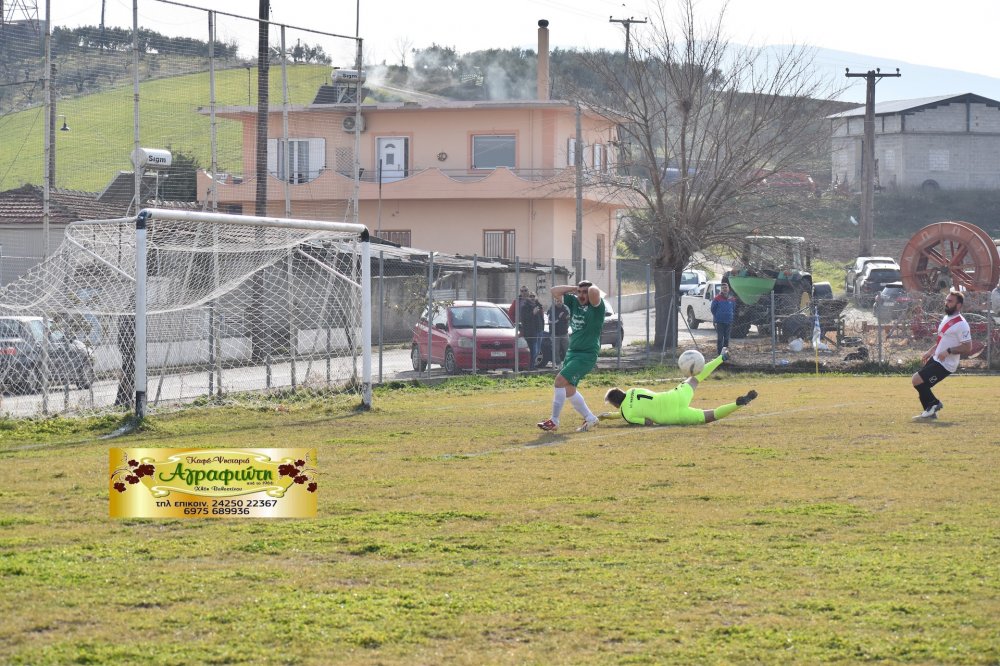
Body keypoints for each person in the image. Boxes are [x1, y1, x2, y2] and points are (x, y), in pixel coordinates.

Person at [605, 348, 756, 425]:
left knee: (710, 415)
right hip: (673, 396)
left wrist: (612, 416)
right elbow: (632, 407)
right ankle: (721, 358)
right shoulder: (632, 390)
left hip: (671, 417)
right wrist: (610, 416)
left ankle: (737, 404)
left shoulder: (626, 414)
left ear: (615, 404)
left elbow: (647, 421)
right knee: (696, 378)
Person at [537, 280, 605, 432]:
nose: (581, 295)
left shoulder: (597, 307)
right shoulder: (574, 303)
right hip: (572, 352)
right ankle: (591, 418)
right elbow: (554, 290)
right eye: (579, 292)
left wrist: (590, 288)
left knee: (559, 381)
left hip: (586, 355)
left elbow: (594, 292)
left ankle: (554, 421)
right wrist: (576, 288)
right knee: (569, 389)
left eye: (584, 292)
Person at [911, 290, 972, 419]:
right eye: (946, 300)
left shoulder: (962, 324)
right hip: (937, 358)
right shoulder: (946, 318)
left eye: (950, 301)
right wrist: (930, 351)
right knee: (921, 384)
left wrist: (949, 351)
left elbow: (968, 347)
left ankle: (934, 404)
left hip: (946, 364)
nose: (946, 303)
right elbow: (942, 339)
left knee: (917, 380)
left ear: (959, 305)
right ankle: (930, 413)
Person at [710, 282, 736, 355]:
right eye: (723, 288)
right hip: (720, 321)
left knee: (727, 338)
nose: (724, 289)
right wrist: (717, 316)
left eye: (726, 288)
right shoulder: (717, 298)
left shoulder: (732, 299)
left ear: (728, 289)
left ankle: (725, 354)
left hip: (729, 321)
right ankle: (719, 354)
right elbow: (713, 309)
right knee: (720, 338)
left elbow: (733, 308)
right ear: (721, 289)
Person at [519, 292, 543, 369]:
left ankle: (532, 365)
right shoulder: (525, 306)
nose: (532, 298)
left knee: (538, 350)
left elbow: (541, 310)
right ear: (527, 297)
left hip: (539, 330)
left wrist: (537, 302)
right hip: (531, 332)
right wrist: (532, 313)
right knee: (533, 350)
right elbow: (524, 319)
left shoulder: (537, 306)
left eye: (534, 296)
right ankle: (530, 366)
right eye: (531, 296)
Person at [547, 299, 570, 367]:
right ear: (555, 302)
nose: (559, 303)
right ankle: (558, 364)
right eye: (557, 301)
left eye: (560, 301)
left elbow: (568, 318)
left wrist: (567, 319)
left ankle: (567, 363)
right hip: (555, 334)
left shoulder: (565, 308)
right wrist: (559, 317)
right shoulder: (551, 309)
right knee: (555, 350)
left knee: (567, 349)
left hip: (564, 333)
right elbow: (550, 321)